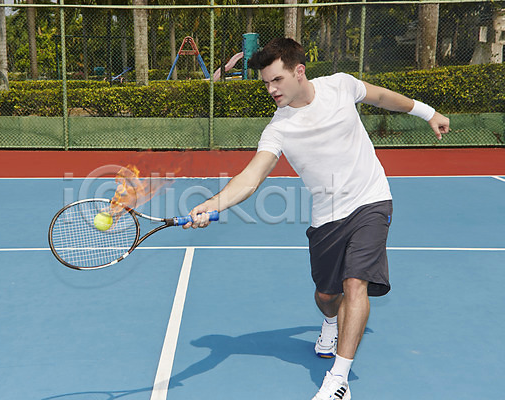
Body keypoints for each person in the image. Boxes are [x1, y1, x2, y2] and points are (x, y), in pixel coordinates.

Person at [183, 38, 450, 399]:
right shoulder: (278, 128)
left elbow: (382, 97)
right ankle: (329, 322)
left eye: (277, 80)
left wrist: (427, 112)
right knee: (327, 294)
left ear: (299, 71)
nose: (271, 89)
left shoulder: (340, 85)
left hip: (371, 200)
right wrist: (214, 203)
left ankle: (337, 380)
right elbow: (252, 176)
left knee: (356, 284)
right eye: (266, 83)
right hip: (327, 218)